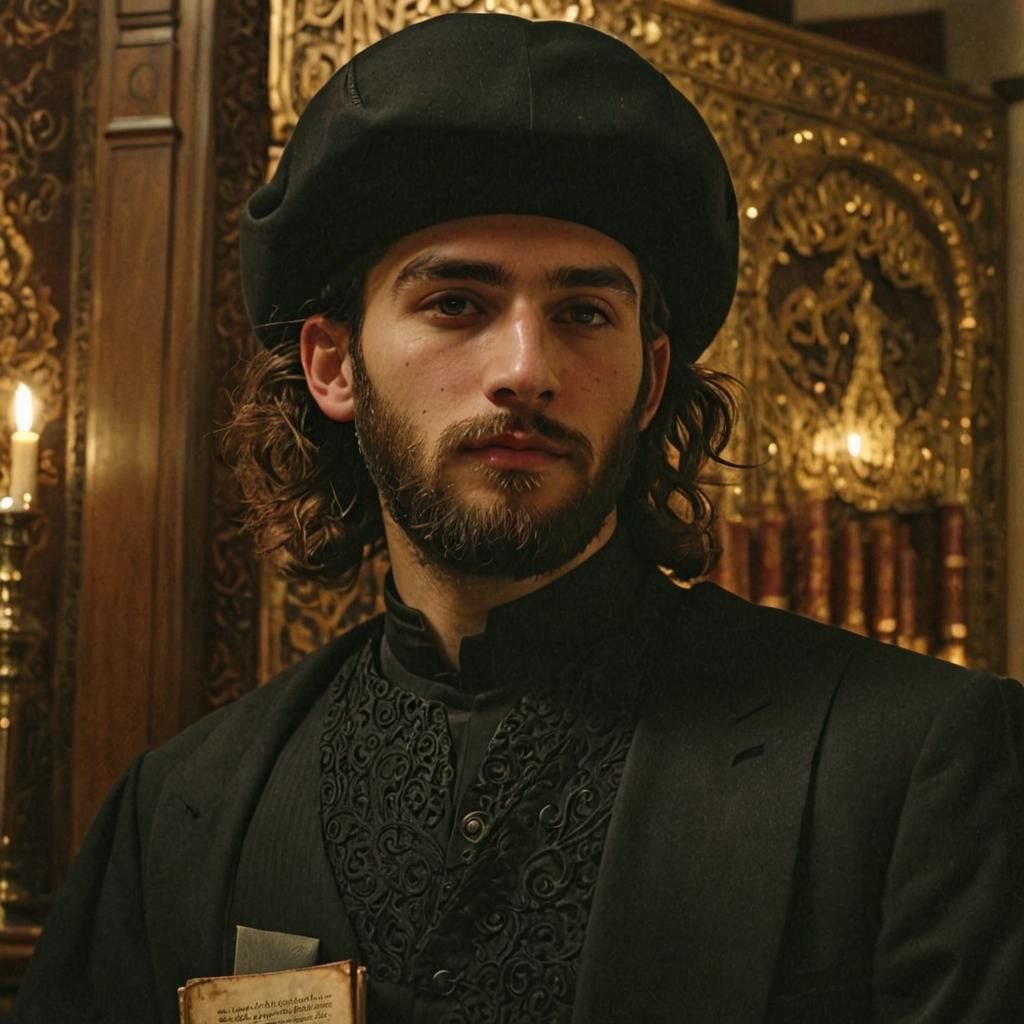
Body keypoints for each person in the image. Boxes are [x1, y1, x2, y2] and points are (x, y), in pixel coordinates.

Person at [16, 12, 1024, 1024]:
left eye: (583, 313)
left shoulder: (910, 763)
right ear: (333, 365)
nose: (526, 369)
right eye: (456, 303)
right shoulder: (180, 812)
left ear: (650, 380)